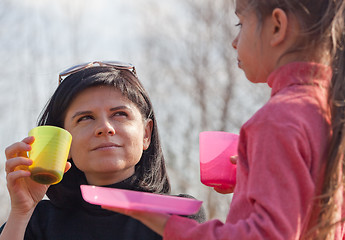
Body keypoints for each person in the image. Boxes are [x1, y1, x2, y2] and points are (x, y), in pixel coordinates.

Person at [104, 0, 345, 239]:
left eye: (240, 23)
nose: (234, 42)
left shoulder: (278, 118)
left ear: (277, 26)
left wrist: (165, 223)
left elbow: (268, 235)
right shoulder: (329, 112)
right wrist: (254, 179)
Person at [0, 61, 205, 240]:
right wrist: (21, 212)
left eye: (119, 114)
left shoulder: (179, 214)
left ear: (146, 134)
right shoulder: (38, 221)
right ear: (64, 144)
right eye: (85, 118)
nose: (105, 127)